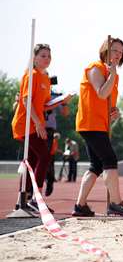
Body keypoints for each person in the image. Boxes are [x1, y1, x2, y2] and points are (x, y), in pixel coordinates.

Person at [72, 37, 123, 217]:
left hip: (101, 124)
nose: (118, 54)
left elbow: (107, 102)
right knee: (110, 160)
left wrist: (114, 112)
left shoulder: (113, 74)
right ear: (105, 51)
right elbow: (101, 93)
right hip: (90, 123)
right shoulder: (96, 68)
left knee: (97, 165)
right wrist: (113, 74)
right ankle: (116, 203)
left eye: (120, 52)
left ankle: (80, 206)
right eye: (114, 50)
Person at [11, 44, 72, 213]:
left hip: (35, 124)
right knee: (44, 156)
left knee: (32, 160)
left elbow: (44, 105)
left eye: (49, 56)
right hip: (25, 124)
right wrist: (38, 123)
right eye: (43, 55)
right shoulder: (31, 75)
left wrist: (62, 100)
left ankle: (24, 200)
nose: (47, 59)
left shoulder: (45, 78)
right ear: (35, 58)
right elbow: (26, 101)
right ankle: (35, 199)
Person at [46, 132, 61, 196]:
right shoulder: (54, 141)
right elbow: (54, 149)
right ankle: (48, 178)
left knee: (51, 168)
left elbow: (55, 149)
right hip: (50, 156)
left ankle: (50, 178)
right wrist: (59, 151)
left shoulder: (54, 141)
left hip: (51, 155)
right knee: (50, 168)